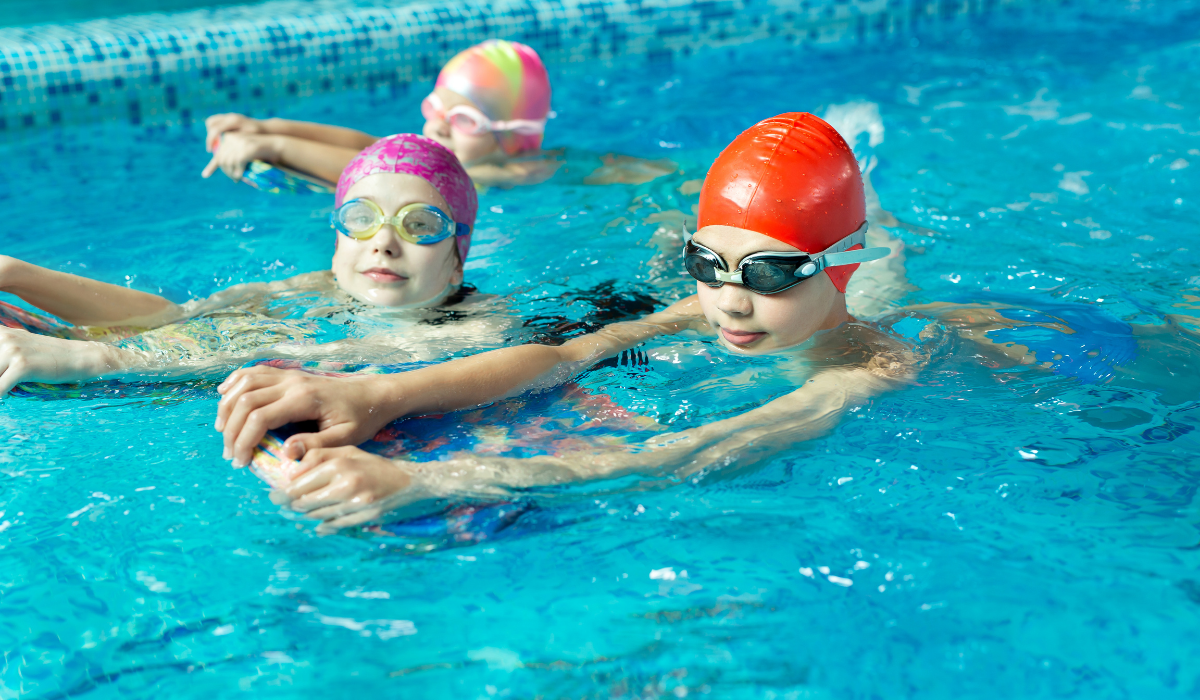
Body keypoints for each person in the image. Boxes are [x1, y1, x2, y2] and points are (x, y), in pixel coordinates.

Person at [214, 112, 921, 532]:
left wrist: (432, 482)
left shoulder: (866, 372)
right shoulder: (705, 308)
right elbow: (569, 355)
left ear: (838, 266)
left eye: (767, 274)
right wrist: (376, 396)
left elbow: (693, 449)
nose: (730, 302)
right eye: (707, 262)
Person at [0, 134, 499, 395]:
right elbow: (176, 318)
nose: (384, 243)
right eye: (361, 218)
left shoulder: (480, 332)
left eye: (420, 226)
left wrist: (97, 360)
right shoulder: (317, 287)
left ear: (457, 262)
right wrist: (18, 275)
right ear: (336, 244)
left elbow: (284, 354)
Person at [202, 40, 555, 188]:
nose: (438, 127)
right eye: (434, 108)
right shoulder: (467, 156)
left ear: (513, 136)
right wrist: (266, 127)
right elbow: (376, 147)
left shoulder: (515, 170)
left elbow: (391, 172)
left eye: (464, 119)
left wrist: (276, 148)